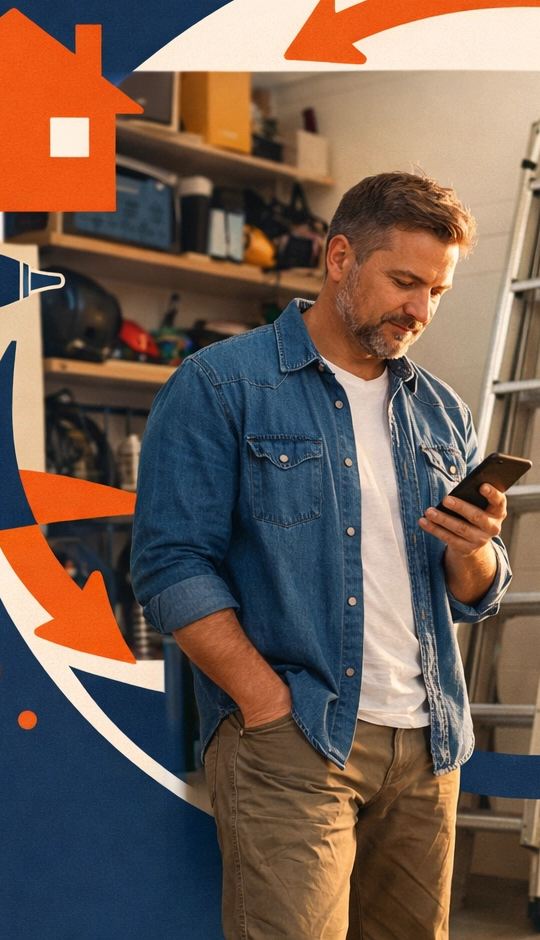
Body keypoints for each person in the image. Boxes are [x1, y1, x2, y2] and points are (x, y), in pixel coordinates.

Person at [130, 170, 510, 940]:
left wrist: (475, 550)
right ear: (340, 259)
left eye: (436, 291)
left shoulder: (442, 412)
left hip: (427, 740)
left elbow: (474, 593)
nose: (420, 310)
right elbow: (170, 567)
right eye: (404, 282)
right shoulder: (221, 385)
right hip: (295, 739)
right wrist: (267, 707)